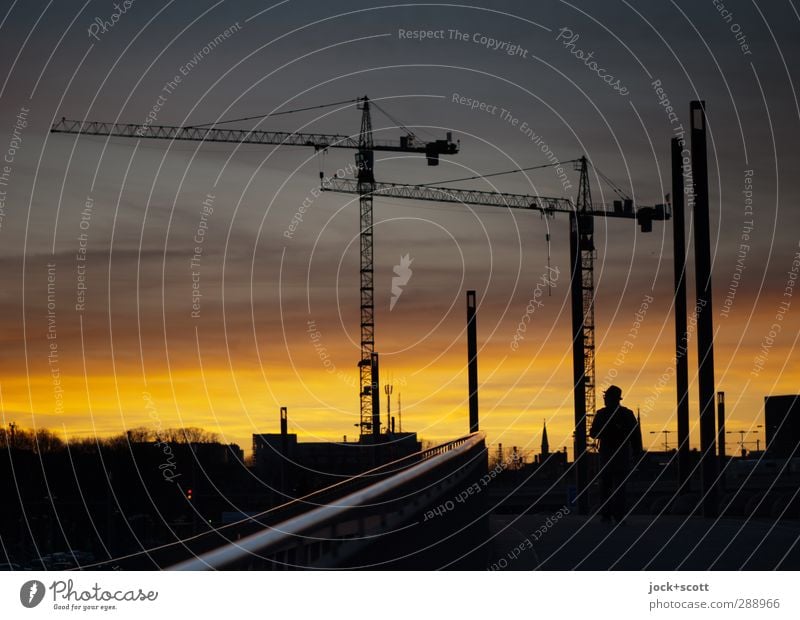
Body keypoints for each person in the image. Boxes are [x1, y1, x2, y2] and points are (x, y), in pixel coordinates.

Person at [589, 385, 639, 524]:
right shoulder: (627, 414)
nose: (605, 400)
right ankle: (618, 516)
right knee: (619, 487)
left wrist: (605, 432)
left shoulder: (601, 414)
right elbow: (635, 435)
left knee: (605, 485)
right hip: (621, 454)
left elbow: (593, 433)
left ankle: (607, 515)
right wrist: (636, 451)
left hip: (607, 454)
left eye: (606, 397)